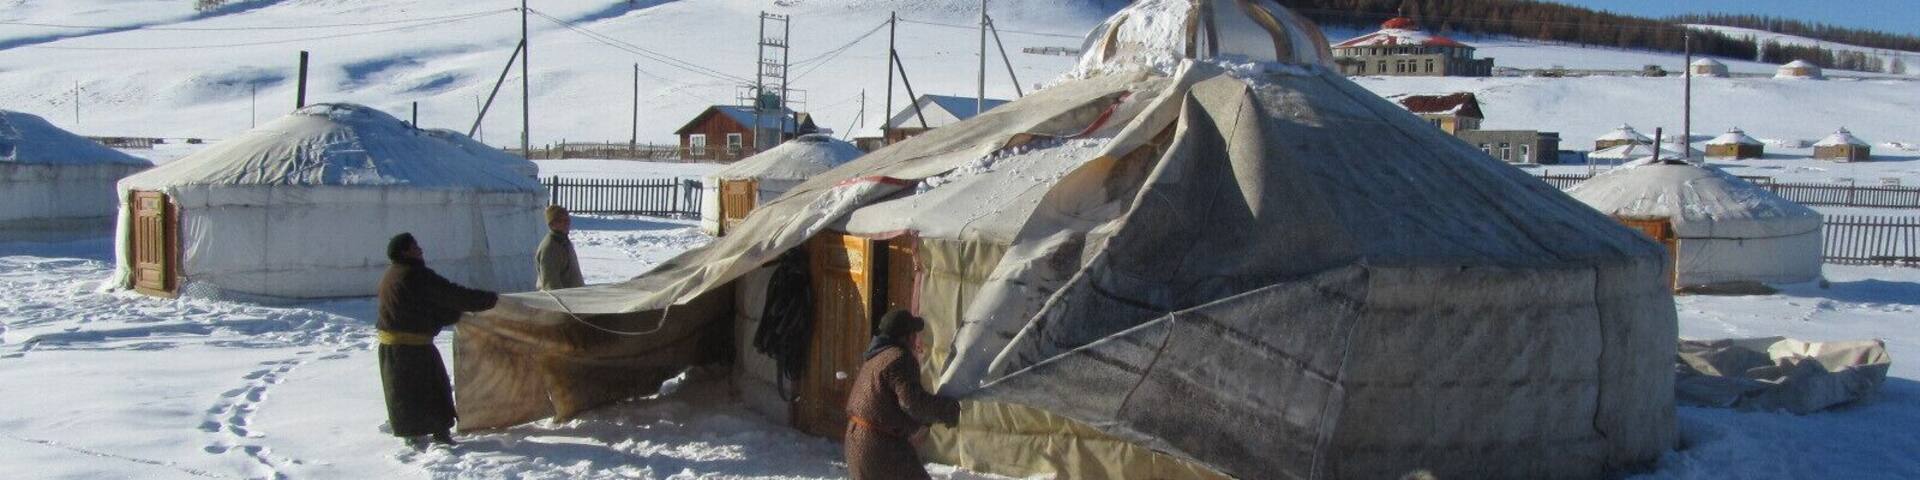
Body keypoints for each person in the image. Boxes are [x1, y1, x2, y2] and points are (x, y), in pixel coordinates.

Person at [377, 233, 499, 448]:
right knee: (431, 390)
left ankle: (414, 433)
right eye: (415, 246)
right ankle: (436, 434)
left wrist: (450, 315)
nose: (420, 249)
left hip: (395, 348)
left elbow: (425, 306)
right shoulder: (414, 275)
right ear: (405, 251)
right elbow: (451, 294)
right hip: (411, 348)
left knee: (406, 392)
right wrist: (491, 300)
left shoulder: (393, 273)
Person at [844, 310, 960, 480]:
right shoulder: (899, 358)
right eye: (914, 334)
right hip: (878, 445)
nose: (916, 339)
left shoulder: (877, 356)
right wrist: (946, 409)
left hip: (857, 441)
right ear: (906, 337)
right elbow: (912, 403)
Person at [535, 205, 584, 290]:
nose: (567, 223)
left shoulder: (563, 241)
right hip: (561, 299)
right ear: (552, 224)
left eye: (567, 220)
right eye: (562, 221)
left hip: (574, 296)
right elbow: (551, 284)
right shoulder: (550, 248)